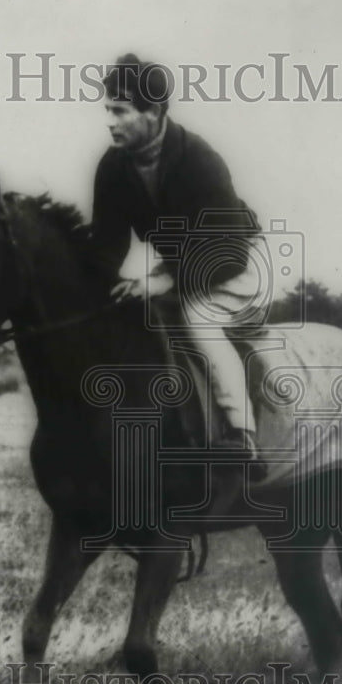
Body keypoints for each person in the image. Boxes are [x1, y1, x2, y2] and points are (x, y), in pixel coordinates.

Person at [89, 53, 270, 460]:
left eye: (120, 111)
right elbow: (106, 247)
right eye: (107, 110)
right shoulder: (113, 167)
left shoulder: (200, 160)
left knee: (197, 318)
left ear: (153, 111)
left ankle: (243, 433)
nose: (110, 121)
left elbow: (229, 253)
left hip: (233, 261)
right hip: (179, 268)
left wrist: (161, 281)